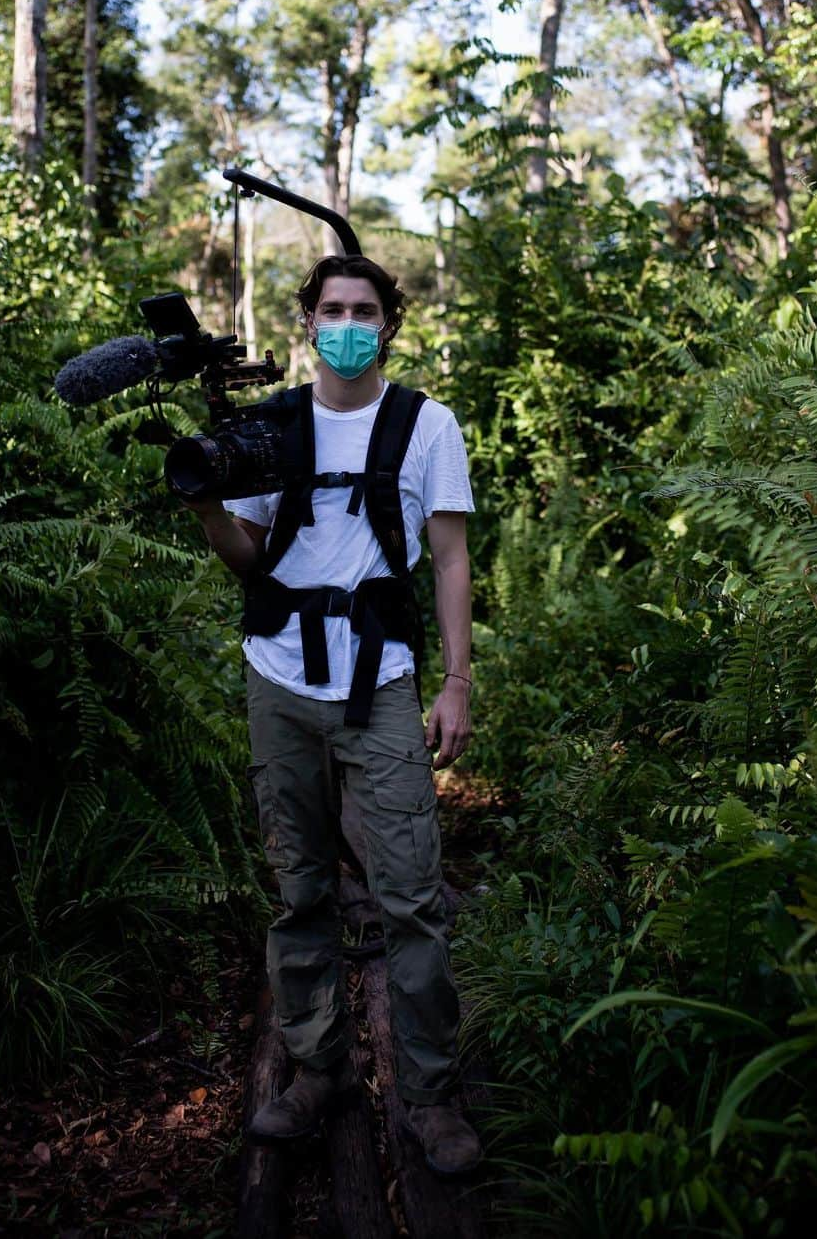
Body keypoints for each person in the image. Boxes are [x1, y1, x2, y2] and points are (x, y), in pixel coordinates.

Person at [184, 253, 481, 1176]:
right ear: (305, 320)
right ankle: (317, 1070)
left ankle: (429, 1095)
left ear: (388, 323)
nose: (347, 324)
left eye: (365, 311)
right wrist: (201, 499)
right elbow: (248, 554)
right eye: (332, 309)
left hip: (380, 679)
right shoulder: (271, 426)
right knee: (301, 888)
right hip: (277, 678)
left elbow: (449, 559)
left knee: (411, 895)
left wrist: (457, 682)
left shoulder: (425, 424)